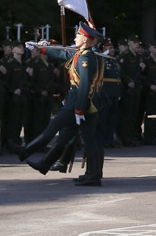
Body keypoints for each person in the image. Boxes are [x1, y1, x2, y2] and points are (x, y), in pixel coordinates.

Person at [18, 22, 104, 185]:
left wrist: (79, 108)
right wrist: (42, 48)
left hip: (79, 103)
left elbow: (84, 84)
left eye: (78, 35)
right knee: (88, 139)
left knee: (54, 127)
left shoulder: (86, 57)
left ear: (85, 39)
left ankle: (25, 152)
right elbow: (63, 54)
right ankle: (93, 175)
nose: (74, 38)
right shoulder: (82, 53)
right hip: (82, 103)